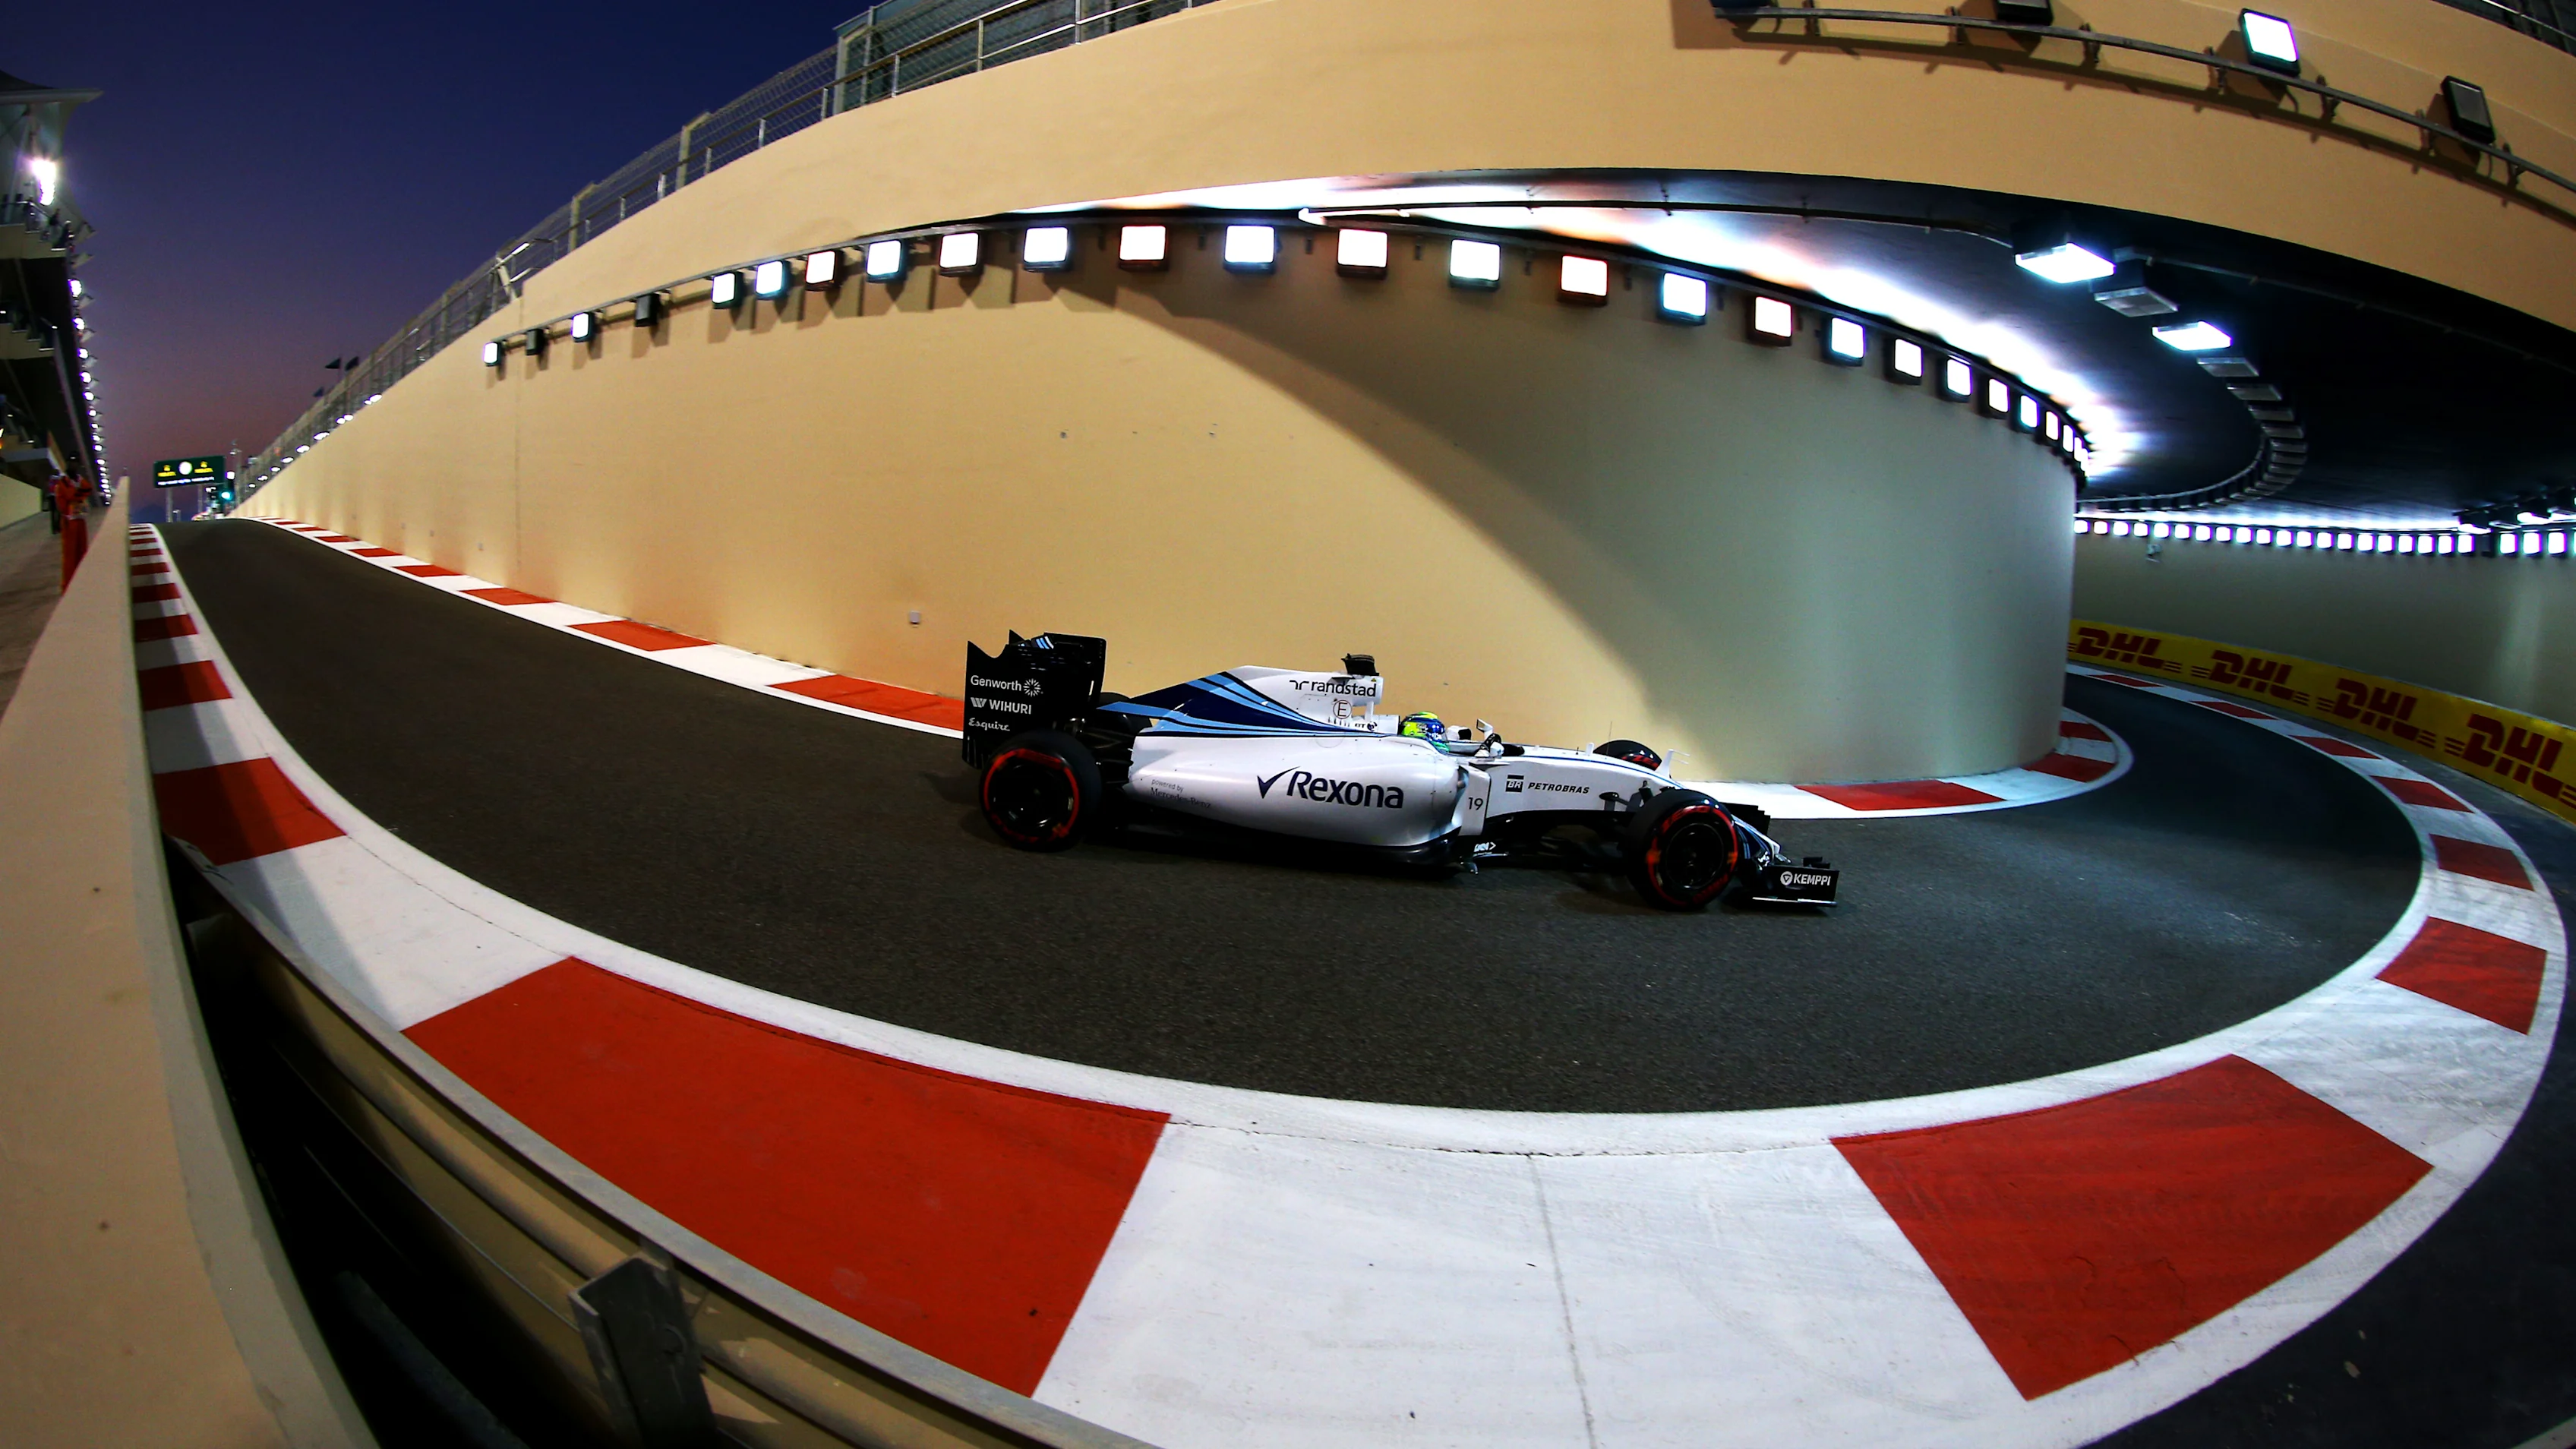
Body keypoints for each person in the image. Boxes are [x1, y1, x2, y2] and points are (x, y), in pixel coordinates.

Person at [48, 472, 91, 592]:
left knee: (81, 551)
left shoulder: (77, 481)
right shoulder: (63, 484)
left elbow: (87, 489)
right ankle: (70, 585)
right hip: (70, 521)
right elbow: (69, 497)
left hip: (78, 519)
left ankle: (79, 581)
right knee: (71, 554)